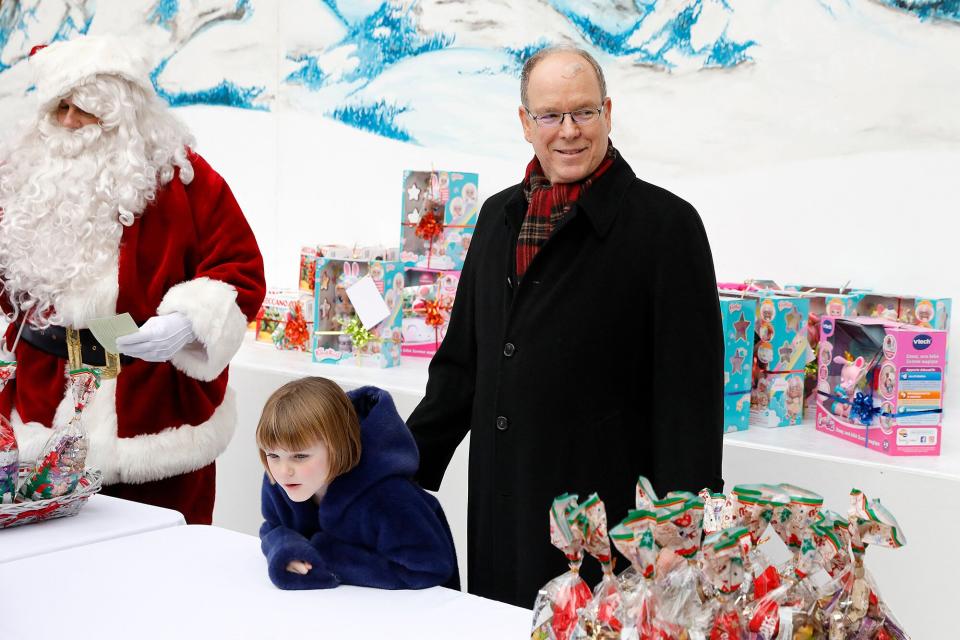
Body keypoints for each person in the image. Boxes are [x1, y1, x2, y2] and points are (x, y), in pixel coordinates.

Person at [406, 45, 724, 607]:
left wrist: (686, 523)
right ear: (525, 123)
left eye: (584, 113)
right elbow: (462, 366)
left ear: (608, 111)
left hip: (603, 527)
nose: (569, 131)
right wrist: (397, 467)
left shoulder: (666, 227)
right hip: (503, 505)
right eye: (550, 116)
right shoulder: (499, 217)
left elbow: (689, 397)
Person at [0, 35, 265, 524]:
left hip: (149, 411)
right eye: (59, 108)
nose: (69, 122)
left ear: (125, 115)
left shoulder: (184, 179)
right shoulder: (22, 176)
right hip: (41, 399)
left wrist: (187, 323)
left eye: (85, 110)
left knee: (160, 561)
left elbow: (239, 267)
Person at [257, 378, 459, 591]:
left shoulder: (389, 497)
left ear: (337, 447)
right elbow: (273, 526)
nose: (283, 470)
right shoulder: (282, 481)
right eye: (273, 455)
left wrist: (327, 558)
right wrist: (286, 548)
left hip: (415, 614)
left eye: (300, 456)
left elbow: (429, 568)